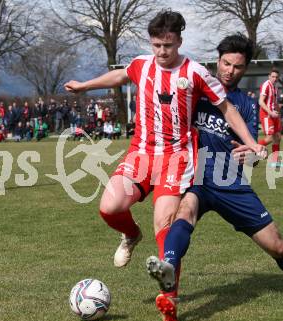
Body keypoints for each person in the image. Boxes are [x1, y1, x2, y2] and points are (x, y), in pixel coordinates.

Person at [145, 34, 283, 321]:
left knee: (278, 246)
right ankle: (168, 268)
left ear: (245, 68)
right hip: (195, 176)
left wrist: (250, 155)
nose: (229, 71)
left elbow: (251, 151)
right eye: (225, 63)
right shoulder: (196, 90)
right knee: (184, 213)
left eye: (237, 66)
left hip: (230, 183)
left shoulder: (245, 104)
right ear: (217, 61)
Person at [64, 10, 265, 273]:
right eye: (157, 45)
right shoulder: (141, 65)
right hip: (141, 153)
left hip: (176, 158)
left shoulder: (195, 72)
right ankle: (132, 235)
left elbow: (228, 108)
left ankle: (169, 300)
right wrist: (84, 86)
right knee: (110, 208)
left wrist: (251, 142)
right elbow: (120, 76)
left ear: (179, 42)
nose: (161, 51)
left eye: (167, 45)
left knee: (164, 224)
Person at [258, 68, 283, 167]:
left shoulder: (274, 87)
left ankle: (275, 162)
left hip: (274, 115)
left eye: (276, 77)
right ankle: (250, 148)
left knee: (278, 137)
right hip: (267, 115)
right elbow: (261, 101)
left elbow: (274, 102)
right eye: (273, 76)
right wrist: (271, 112)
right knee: (269, 139)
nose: (275, 78)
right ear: (269, 77)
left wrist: (278, 111)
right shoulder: (266, 85)